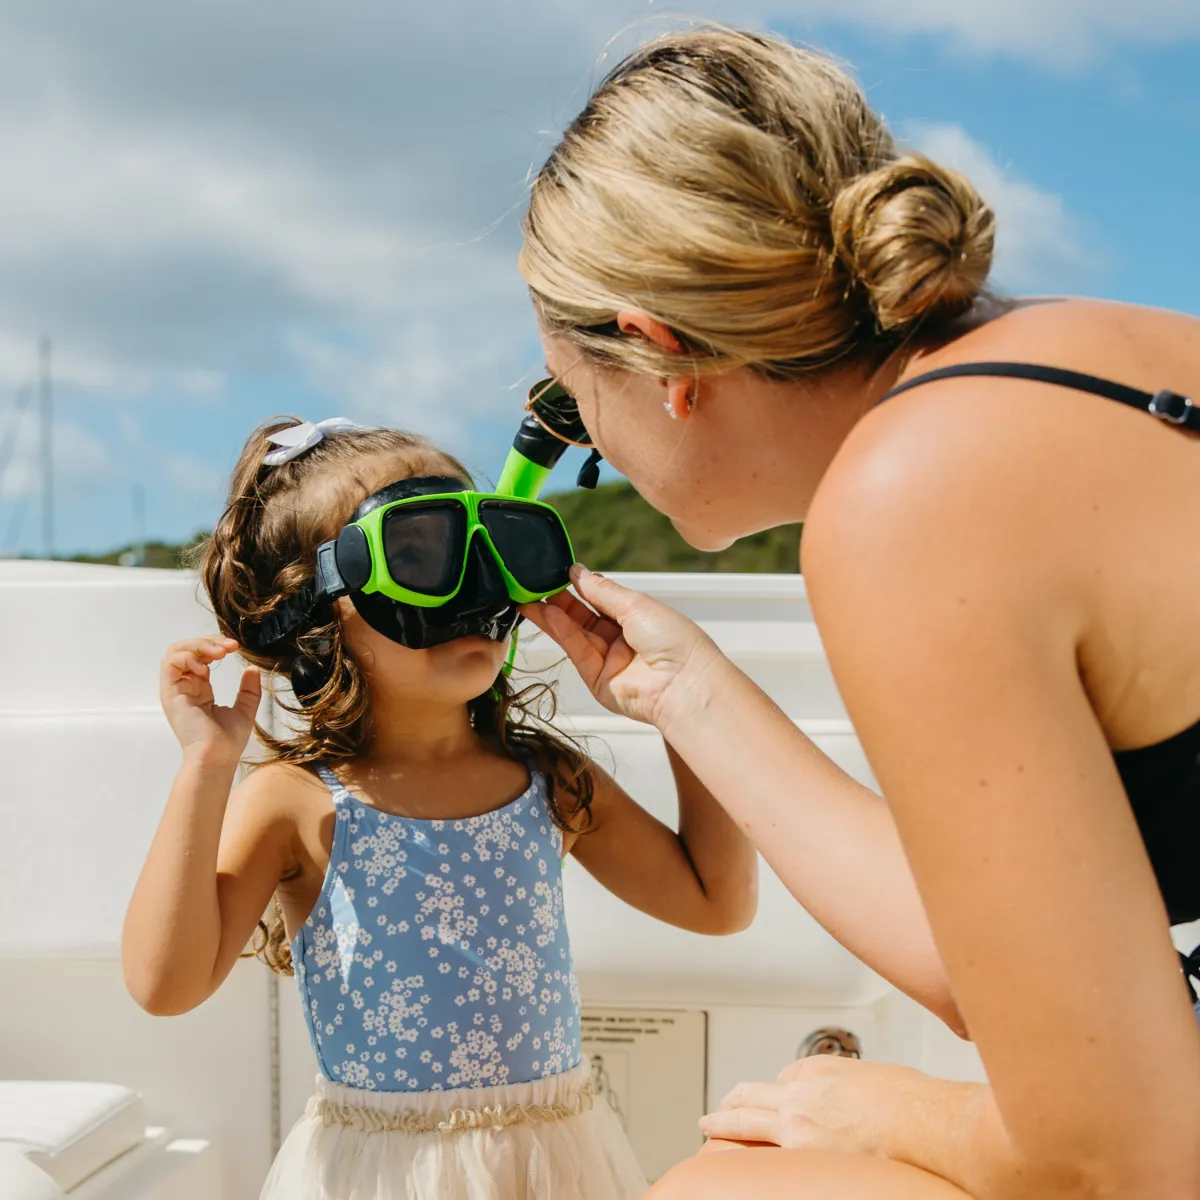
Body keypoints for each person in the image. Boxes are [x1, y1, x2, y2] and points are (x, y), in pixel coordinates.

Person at [516, 24, 1200, 1200]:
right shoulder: (1103, 358)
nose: (592, 447)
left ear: (659, 353)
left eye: (571, 407)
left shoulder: (914, 494)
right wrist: (688, 695)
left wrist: (889, 1114)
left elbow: (1118, 1159)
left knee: (720, 1188)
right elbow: (1019, 973)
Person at [121, 416, 758, 1200]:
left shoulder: (544, 779)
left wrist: (678, 706)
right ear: (315, 611)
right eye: (422, 553)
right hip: (386, 1177)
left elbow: (715, 902)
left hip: (552, 1167)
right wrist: (205, 763)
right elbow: (165, 985)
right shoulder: (295, 803)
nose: (477, 583)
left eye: (491, 546)